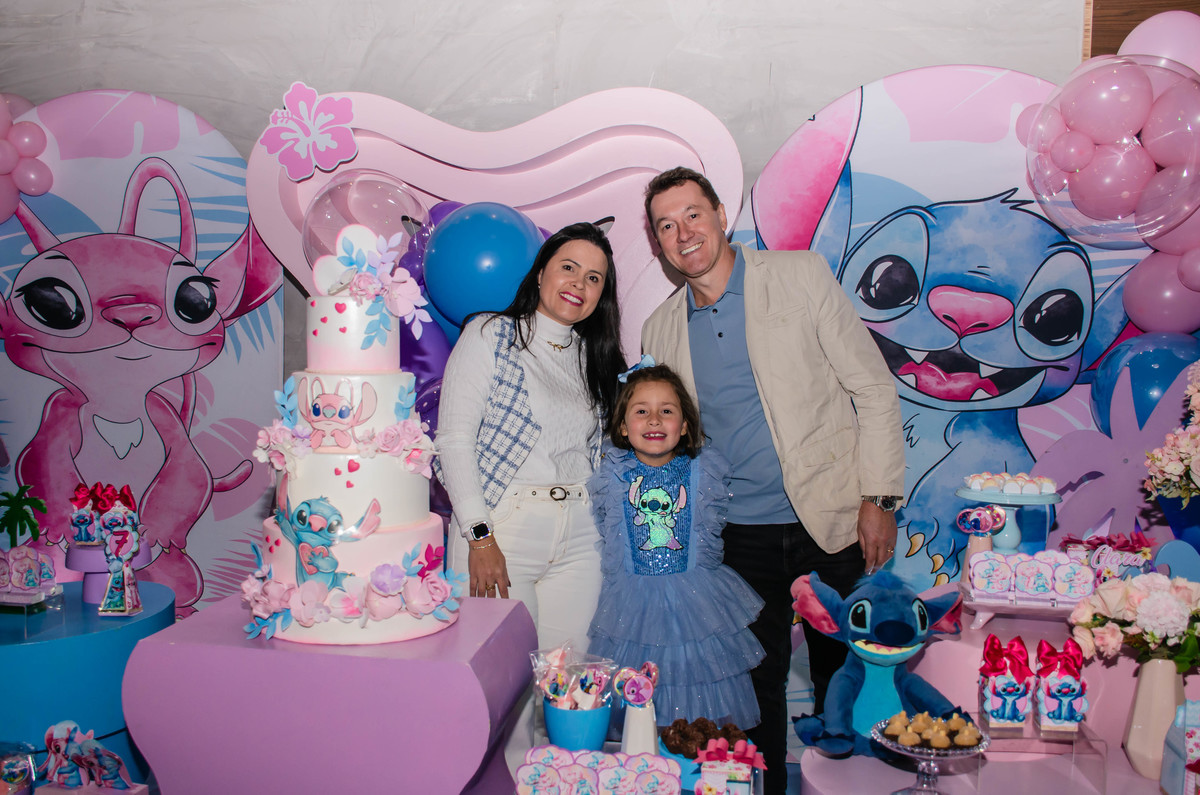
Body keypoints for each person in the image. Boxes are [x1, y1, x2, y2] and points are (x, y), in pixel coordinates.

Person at [640, 167, 905, 792]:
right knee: (754, 693)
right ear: (657, 243)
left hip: (830, 519)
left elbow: (872, 387)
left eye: (693, 215)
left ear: (721, 214)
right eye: (666, 226)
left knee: (848, 679)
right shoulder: (659, 330)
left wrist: (879, 497)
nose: (683, 234)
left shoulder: (799, 276)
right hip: (735, 538)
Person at [439, 220, 625, 649]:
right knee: (501, 675)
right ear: (541, 273)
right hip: (502, 527)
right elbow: (454, 439)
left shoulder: (597, 358)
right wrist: (479, 537)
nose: (578, 283)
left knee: (568, 676)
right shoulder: (490, 333)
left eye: (593, 278)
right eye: (568, 268)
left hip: (580, 534)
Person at [587, 362, 764, 728]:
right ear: (623, 426)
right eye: (641, 411)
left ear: (684, 426)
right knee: (634, 713)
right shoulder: (611, 473)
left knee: (696, 705)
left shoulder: (704, 470)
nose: (654, 419)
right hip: (631, 610)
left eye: (666, 411)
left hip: (696, 607)